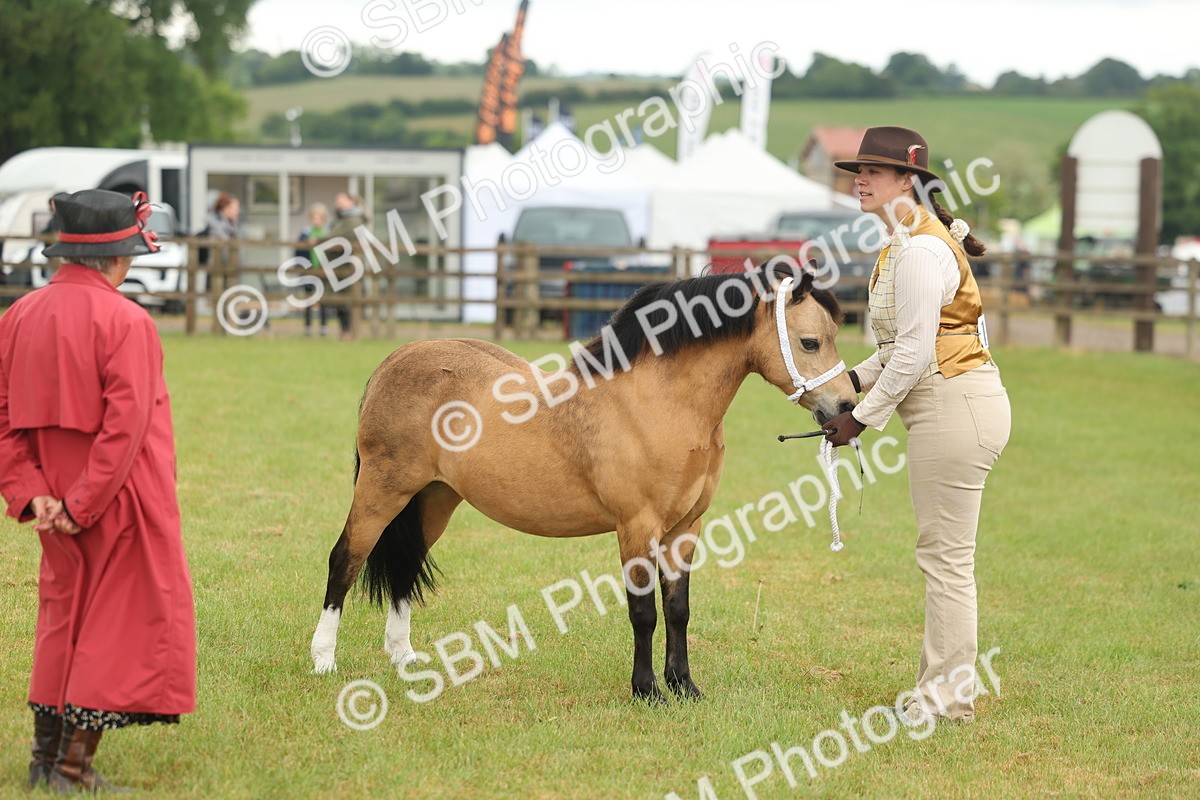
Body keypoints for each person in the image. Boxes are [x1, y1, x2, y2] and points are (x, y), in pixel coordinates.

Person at [0, 190, 197, 791]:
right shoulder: (128, 321)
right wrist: (82, 504)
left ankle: (43, 761)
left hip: (51, 498)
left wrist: (36, 496)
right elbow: (126, 427)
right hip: (119, 498)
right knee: (122, 625)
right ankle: (70, 766)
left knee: (64, 619)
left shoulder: (17, 316)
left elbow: (3, 416)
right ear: (116, 258)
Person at [821, 127, 1012, 724]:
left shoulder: (924, 251)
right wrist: (846, 383)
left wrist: (858, 419)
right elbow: (898, 346)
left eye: (873, 172)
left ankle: (946, 698)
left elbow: (913, 355)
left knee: (946, 560)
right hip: (945, 405)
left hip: (953, 407)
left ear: (908, 180)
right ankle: (945, 689)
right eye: (859, 171)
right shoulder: (905, 244)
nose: (860, 180)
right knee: (944, 556)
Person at [319, 192, 368, 340]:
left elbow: (337, 238)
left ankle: (349, 332)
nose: (337, 204)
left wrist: (320, 240)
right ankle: (345, 331)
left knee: (347, 300)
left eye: (341, 201)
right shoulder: (342, 220)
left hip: (347, 266)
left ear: (351, 202)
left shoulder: (353, 221)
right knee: (339, 301)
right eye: (336, 201)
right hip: (337, 266)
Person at [296, 202, 330, 336]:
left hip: (323, 270)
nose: (316, 219)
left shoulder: (327, 232)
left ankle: (323, 327)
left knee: (324, 299)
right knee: (308, 298)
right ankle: (308, 327)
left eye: (319, 216)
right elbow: (298, 251)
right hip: (309, 269)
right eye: (314, 216)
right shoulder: (305, 233)